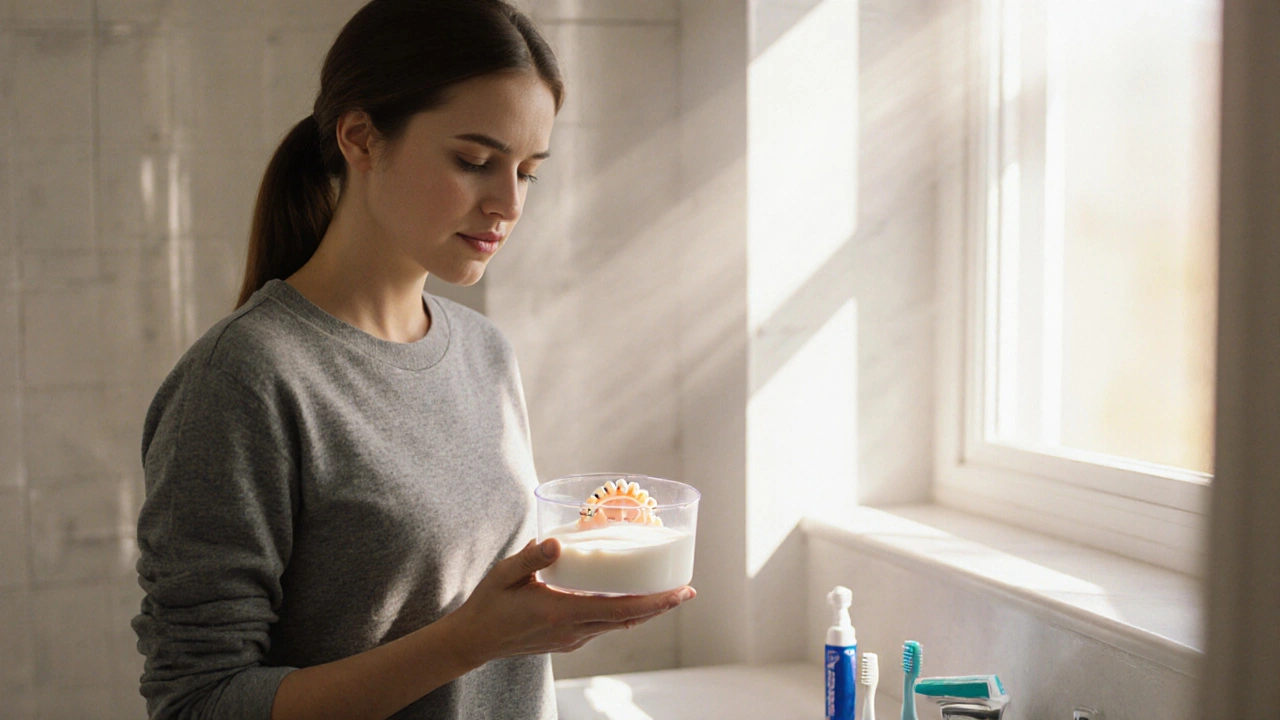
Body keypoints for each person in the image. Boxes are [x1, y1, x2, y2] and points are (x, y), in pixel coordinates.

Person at [130, 2, 695, 718]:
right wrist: (467, 642)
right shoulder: (246, 378)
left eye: (528, 172)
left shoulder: (485, 353)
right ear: (362, 138)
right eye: (474, 161)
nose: (507, 202)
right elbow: (196, 702)